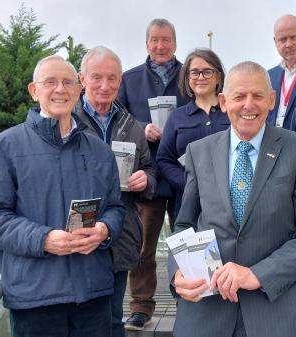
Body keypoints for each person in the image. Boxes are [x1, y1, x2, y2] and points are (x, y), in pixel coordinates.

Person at [169, 61, 296, 337]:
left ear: (271, 100)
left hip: (277, 312)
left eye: (258, 96)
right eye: (239, 96)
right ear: (223, 102)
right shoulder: (199, 152)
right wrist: (177, 273)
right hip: (206, 313)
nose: (248, 105)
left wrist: (257, 274)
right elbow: (184, 225)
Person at [0, 55, 125, 337]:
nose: (60, 89)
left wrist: (105, 230)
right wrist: (43, 239)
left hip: (93, 292)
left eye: (68, 82)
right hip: (35, 297)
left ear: (80, 88)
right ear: (34, 90)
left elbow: (116, 208)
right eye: (51, 82)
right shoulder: (5, 146)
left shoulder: (99, 151)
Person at [74, 46, 156, 337]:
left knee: (112, 318)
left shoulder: (133, 126)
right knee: (80, 317)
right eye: (96, 77)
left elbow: (149, 169)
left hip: (119, 235)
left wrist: (145, 180)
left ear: (120, 81)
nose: (105, 86)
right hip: (78, 235)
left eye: (112, 78)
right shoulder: (65, 122)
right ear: (82, 79)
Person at [116, 18, 190, 330]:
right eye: (155, 40)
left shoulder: (191, 74)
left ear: (175, 43)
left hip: (185, 171)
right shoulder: (129, 79)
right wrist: (139, 128)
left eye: (166, 40)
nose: (160, 46)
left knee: (188, 239)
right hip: (145, 175)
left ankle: (189, 300)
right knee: (143, 244)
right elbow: (116, 117)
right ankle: (141, 305)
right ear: (147, 43)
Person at [157, 48, 230, 217]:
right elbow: (164, 160)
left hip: (229, 202)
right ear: (187, 77)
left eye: (207, 72)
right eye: (195, 72)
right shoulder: (177, 117)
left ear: (218, 76)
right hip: (187, 204)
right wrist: (191, 185)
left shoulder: (231, 112)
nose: (201, 77)